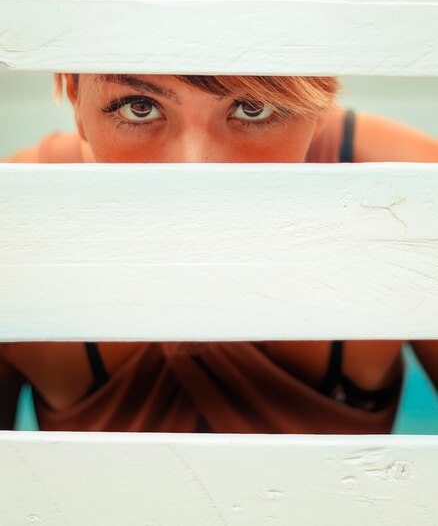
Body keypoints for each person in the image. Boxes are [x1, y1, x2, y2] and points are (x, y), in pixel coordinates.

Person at [1, 73, 437, 433]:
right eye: (139, 107)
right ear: (76, 99)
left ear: (321, 99)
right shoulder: (15, 223)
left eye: (252, 108)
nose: (194, 175)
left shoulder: (405, 196)